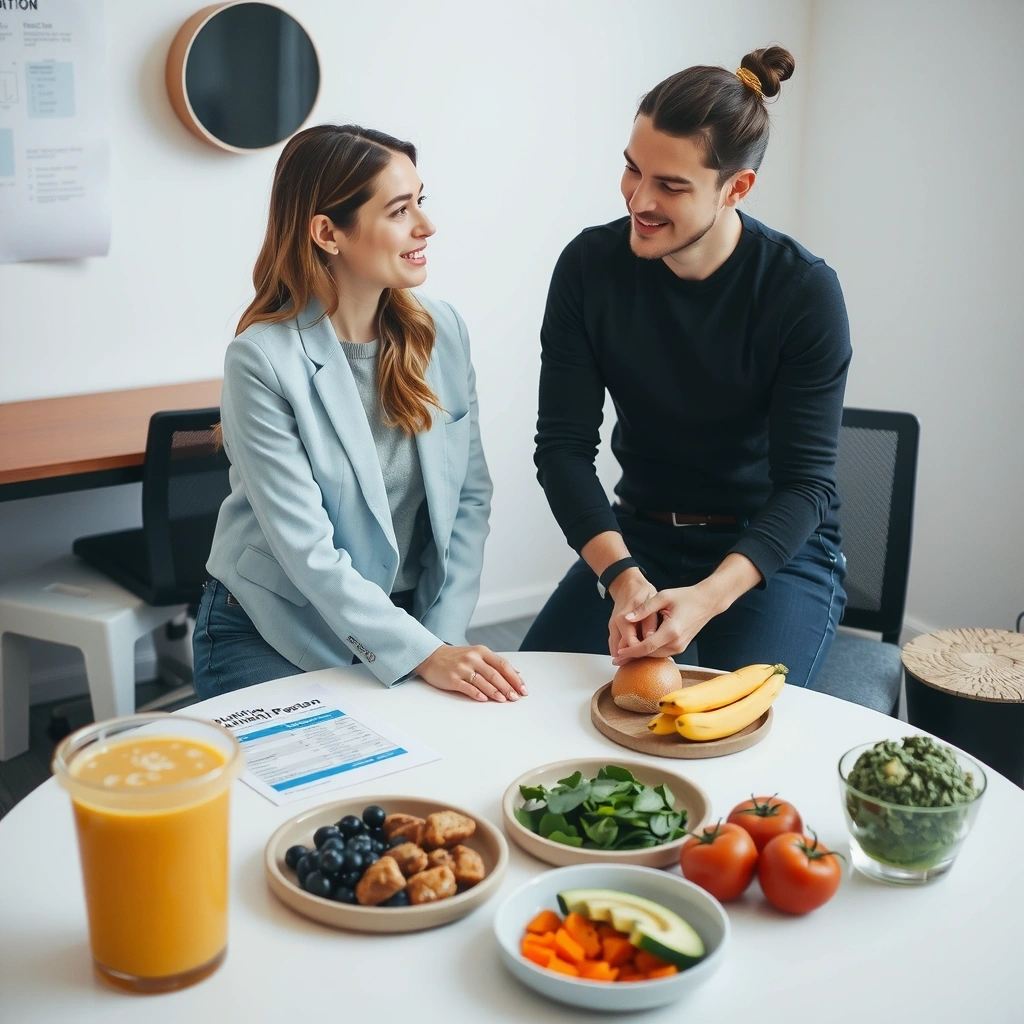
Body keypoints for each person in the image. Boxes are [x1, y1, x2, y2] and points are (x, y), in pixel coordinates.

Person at [521, 46, 856, 698]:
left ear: (736, 188)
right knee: (526, 711)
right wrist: (622, 578)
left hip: (772, 554)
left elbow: (806, 486)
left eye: (671, 186)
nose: (638, 201)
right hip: (639, 538)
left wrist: (707, 597)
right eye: (631, 169)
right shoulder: (589, 270)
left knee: (736, 738)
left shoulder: (803, 292)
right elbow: (562, 451)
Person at [194, 124, 526, 704]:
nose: (426, 225)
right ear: (328, 232)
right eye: (400, 210)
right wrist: (423, 654)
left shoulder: (441, 329)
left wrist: (439, 641)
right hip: (273, 626)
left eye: (421, 201)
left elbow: (469, 500)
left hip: (401, 618)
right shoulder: (263, 360)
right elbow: (307, 551)